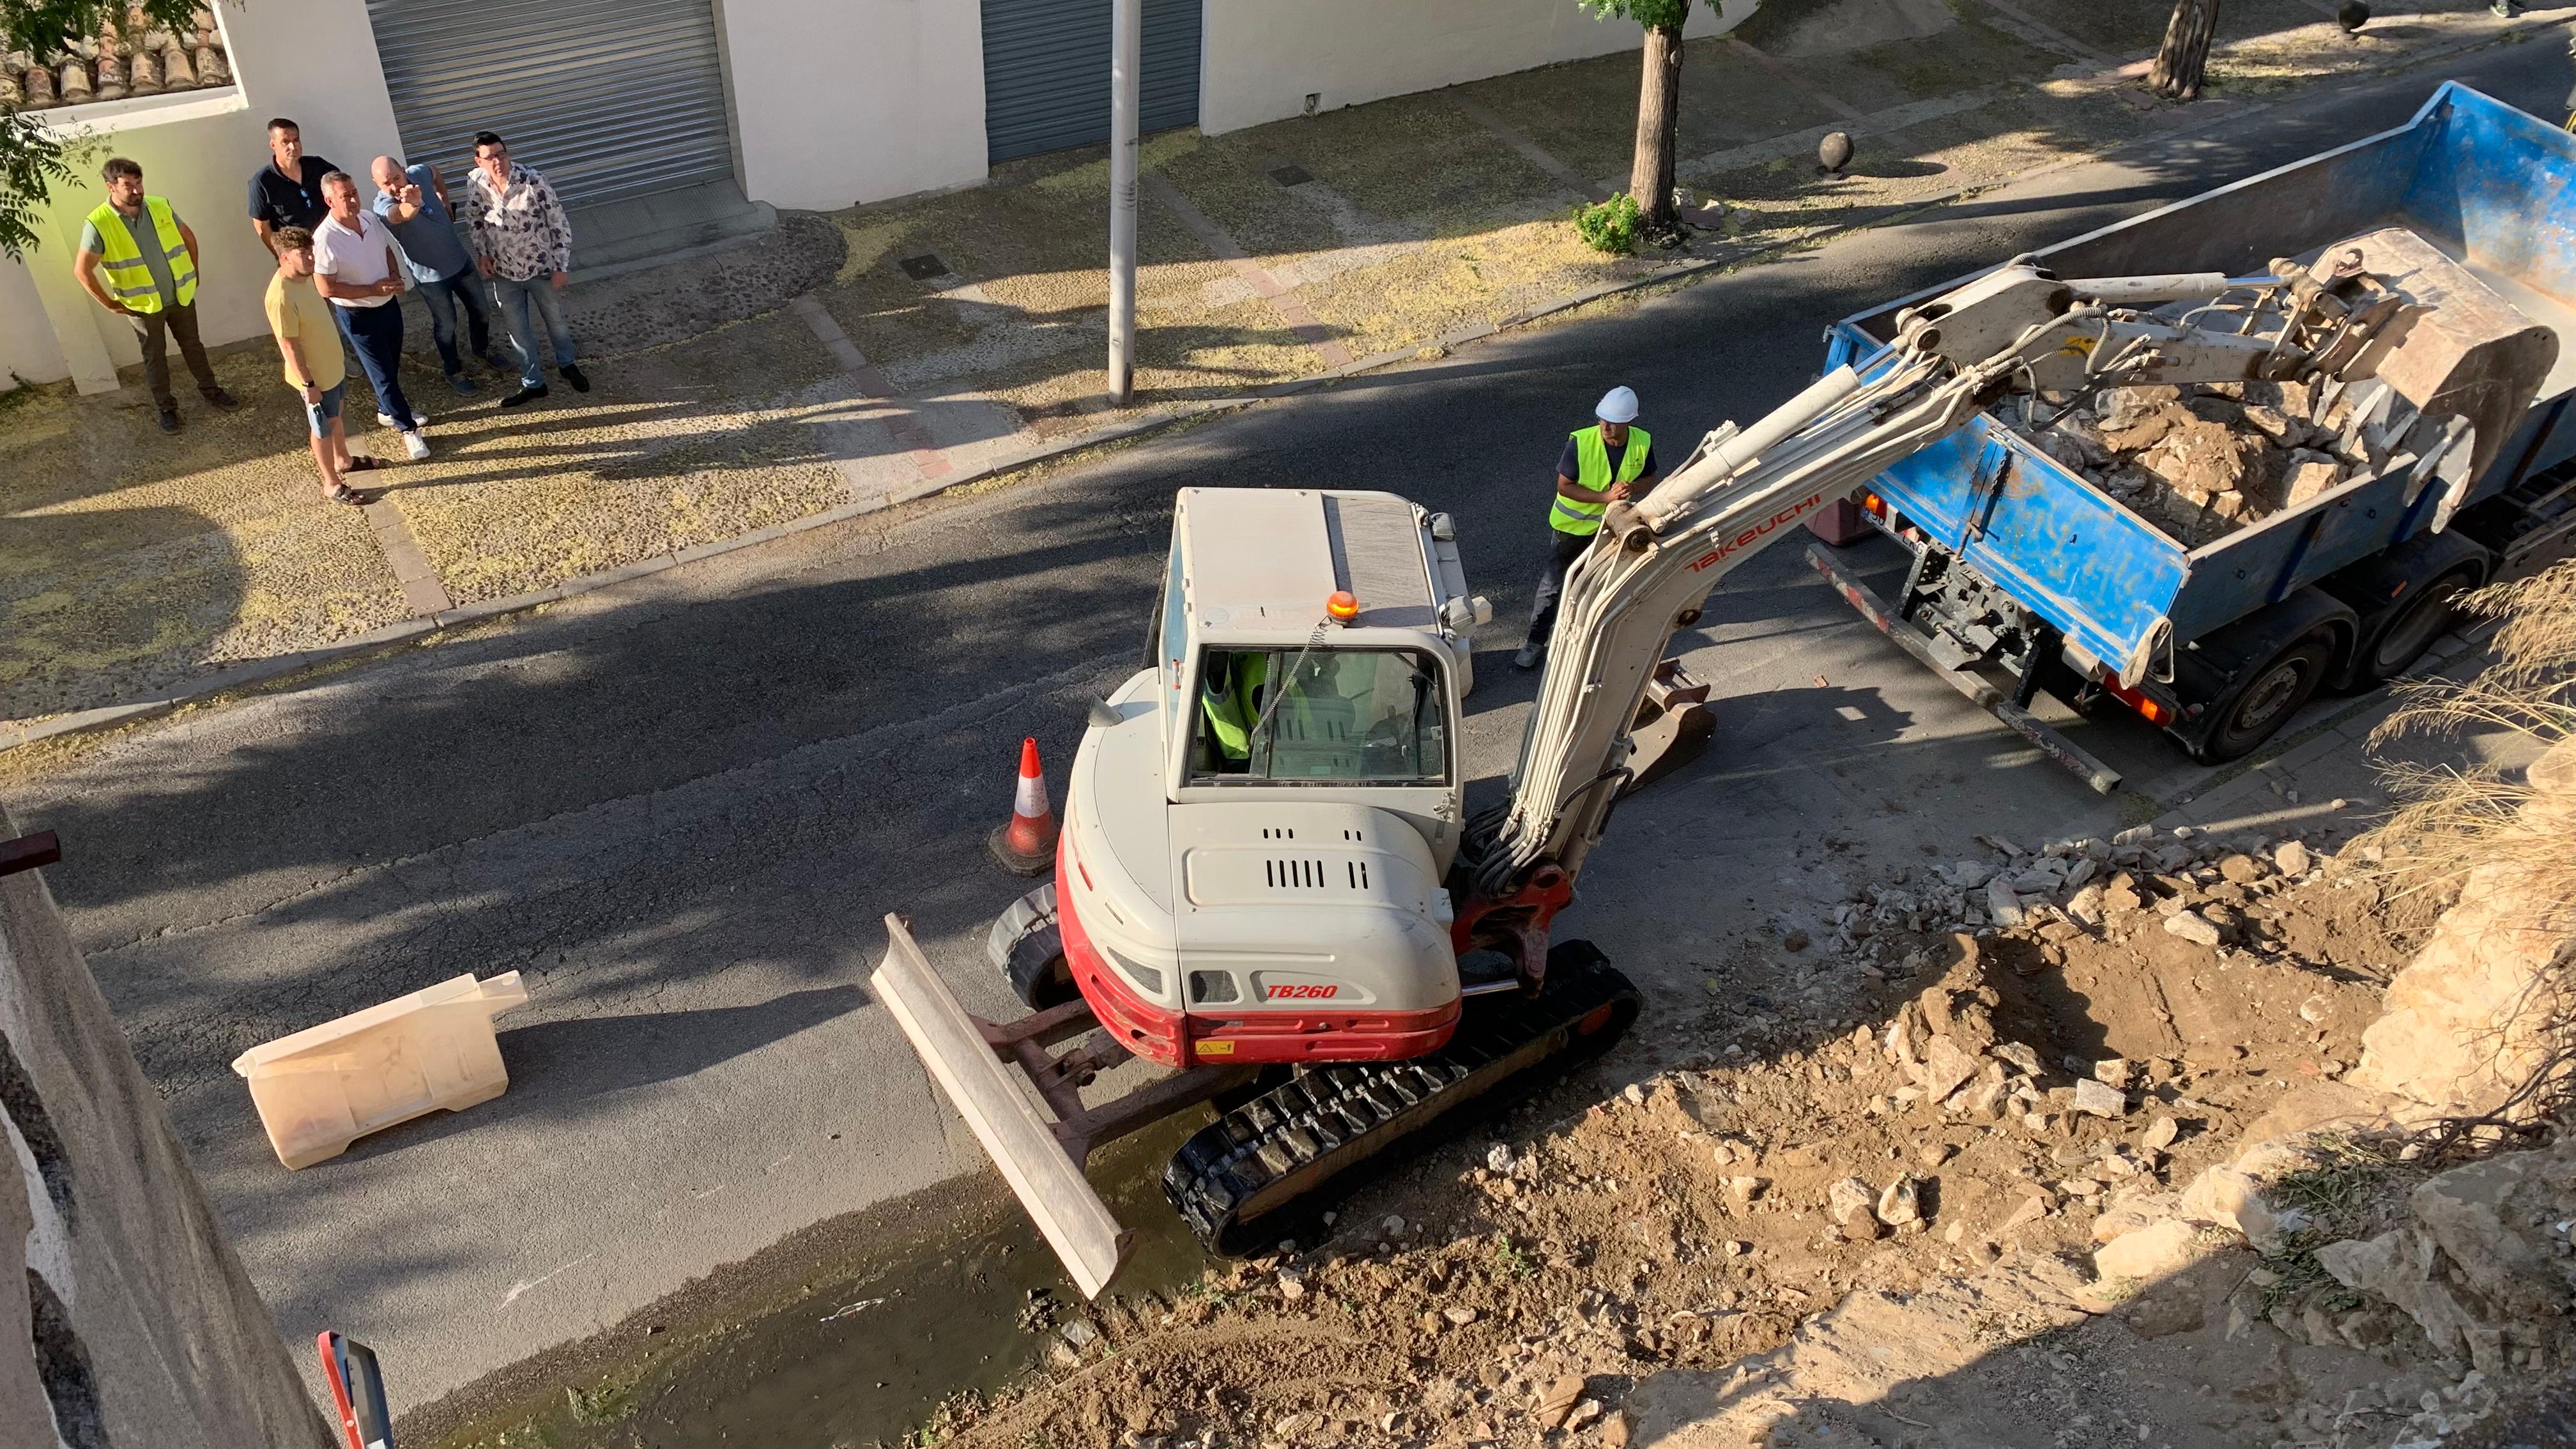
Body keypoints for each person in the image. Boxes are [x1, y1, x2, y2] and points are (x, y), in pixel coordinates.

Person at [72, 157, 240, 434]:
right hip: (142, 305)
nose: (137, 190)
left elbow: (188, 237)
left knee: (193, 346)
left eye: (139, 183)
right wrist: (110, 304)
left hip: (179, 295)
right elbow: (82, 270)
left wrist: (193, 272)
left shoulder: (160, 206)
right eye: (128, 185)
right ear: (111, 187)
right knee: (155, 357)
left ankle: (211, 392)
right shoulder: (98, 223)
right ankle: (166, 409)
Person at [1518, 385, 1658, 670]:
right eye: (1601, 419)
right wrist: (1605, 498)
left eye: (1613, 422)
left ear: (1629, 422)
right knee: (1554, 586)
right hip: (1570, 531)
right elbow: (1564, 486)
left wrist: (1633, 487)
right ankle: (1535, 642)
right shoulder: (1581, 443)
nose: (1605, 426)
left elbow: (1650, 479)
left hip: (1609, 532)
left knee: (1598, 586)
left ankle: (1582, 643)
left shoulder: (1642, 442)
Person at [463, 131, 589, 407]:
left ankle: (568, 365)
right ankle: (534, 383)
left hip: (541, 270)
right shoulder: (475, 183)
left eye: (501, 154)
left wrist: (561, 266)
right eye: (490, 157)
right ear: (478, 161)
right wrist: (482, 254)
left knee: (555, 323)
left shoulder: (532, 179)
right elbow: (474, 219)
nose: (498, 161)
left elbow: (559, 222)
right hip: (504, 274)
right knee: (518, 331)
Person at [263, 226, 387, 506]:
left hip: (332, 369)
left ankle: (343, 459)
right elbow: (288, 345)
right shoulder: (281, 296)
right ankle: (331, 483)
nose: (311, 258)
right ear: (284, 258)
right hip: (316, 377)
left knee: (337, 416)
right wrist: (308, 385)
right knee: (322, 428)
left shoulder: (304, 277)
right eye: (303, 254)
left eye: (311, 251)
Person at [312, 172, 430, 460]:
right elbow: (325, 287)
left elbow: (386, 249)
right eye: (345, 196)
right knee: (383, 375)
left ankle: (386, 410)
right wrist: (371, 289)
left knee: (391, 364)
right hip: (358, 316)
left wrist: (393, 275)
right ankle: (408, 429)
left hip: (388, 305)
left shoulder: (367, 218)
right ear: (329, 201)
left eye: (354, 192)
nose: (352, 199)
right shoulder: (325, 238)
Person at [371, 154, 512, 395]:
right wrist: (413, 203)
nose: (394, 186)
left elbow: (434, 172)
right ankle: (453, 370)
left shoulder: (417, 174)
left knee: (482, 311)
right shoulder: (382, 207)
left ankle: (482, 351)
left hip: (461, 262)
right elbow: (401, 214)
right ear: (378, 185)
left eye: (397, 177)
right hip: (431, 279)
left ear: (404, 170)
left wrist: (444, 199)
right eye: (386, 183)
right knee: (447, 325)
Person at [249, 117, 339, 255]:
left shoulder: (319, 167)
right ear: (273, 145)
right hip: (298, 254)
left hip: (333, 244)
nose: (293, 147)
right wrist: (283, 257)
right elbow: (262, 227)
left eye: (296, 140)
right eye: (285, 142)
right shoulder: (262, 182)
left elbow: (342, 191)